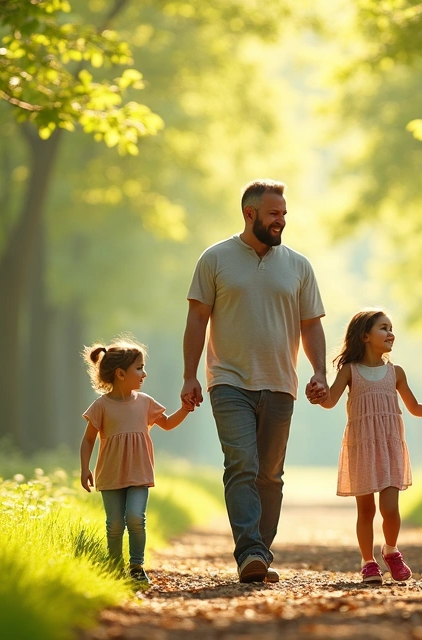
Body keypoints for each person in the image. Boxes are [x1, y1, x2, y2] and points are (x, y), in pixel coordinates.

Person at [181, 179, 328, 583]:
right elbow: (197, 319)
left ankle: (261, 550)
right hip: (228, 380)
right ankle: (249, 552)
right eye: (273, 214)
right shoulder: (215, 258)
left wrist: (319, 372)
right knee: (242, 463)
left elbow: (311, 324)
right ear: (250, 214)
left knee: (270, 474)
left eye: (283, 213)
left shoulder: (298, 265)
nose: (281, 220)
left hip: (281, 381)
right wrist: (189, 375)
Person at [320, 308, 422, 584]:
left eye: (391, 328)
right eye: (384, 328)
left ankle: (391, 550)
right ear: (364, 336)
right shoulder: (350, 371)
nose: (390, 333)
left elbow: (414, 407)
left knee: (390, 509)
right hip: (362, 446)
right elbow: (329, 401)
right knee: (366, 511)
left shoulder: (395, 373)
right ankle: (368, 561)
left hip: (389, 446)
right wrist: (317, 394)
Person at [80, 337, 193, 586]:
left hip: (139, 472)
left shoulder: (145, 402)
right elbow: (88, 440)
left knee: (134, 517)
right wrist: (85, 468)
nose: (144, 373)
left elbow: (167, 424)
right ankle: (113, 566)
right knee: (115, 524)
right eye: (139, 368)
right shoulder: (101, 406)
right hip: (110, 474)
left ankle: (136, 566)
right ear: (121, 373)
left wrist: (185, 409)